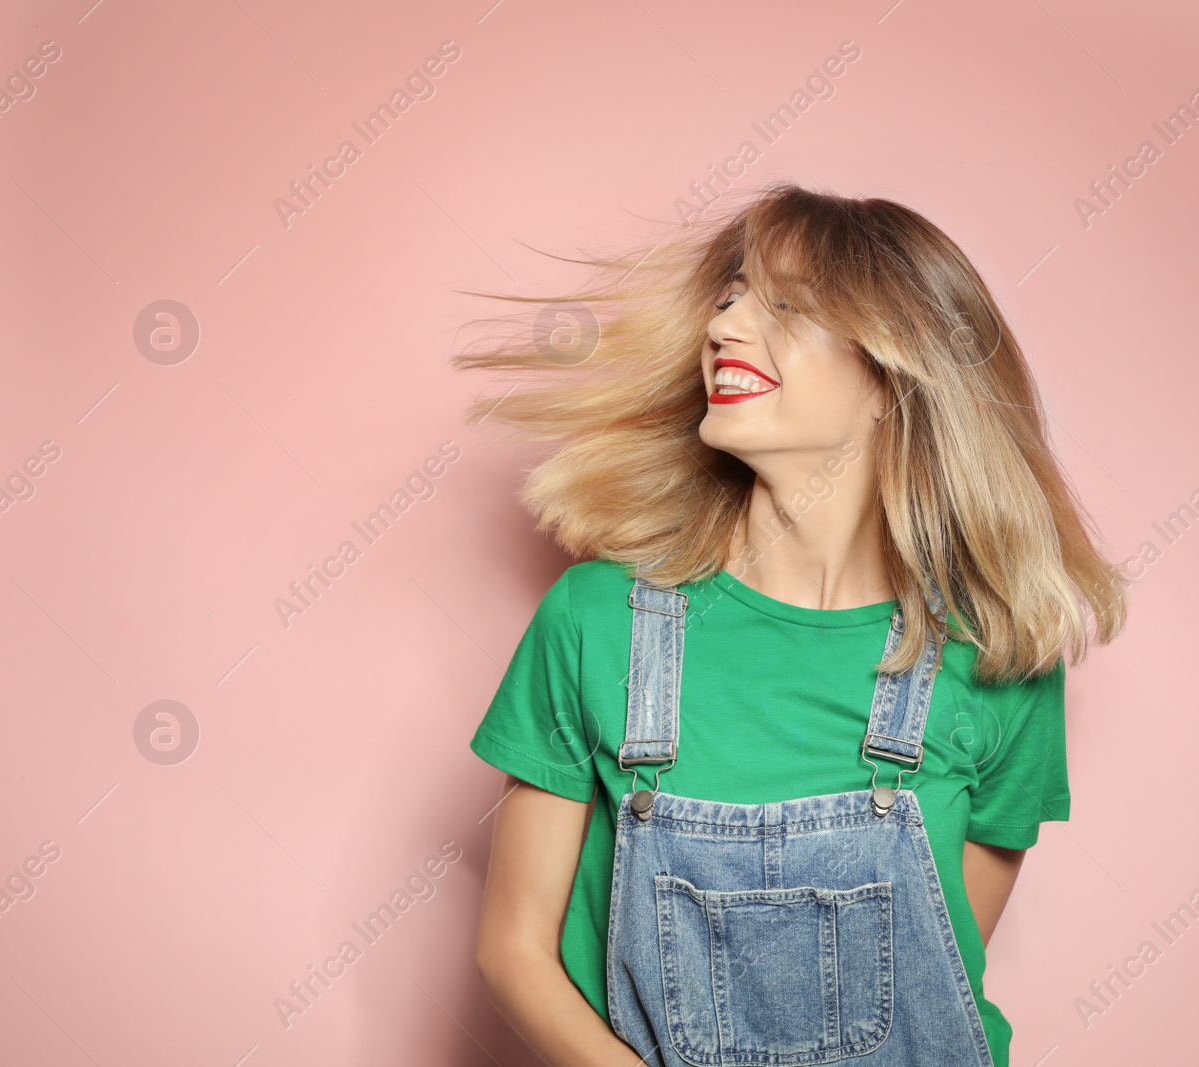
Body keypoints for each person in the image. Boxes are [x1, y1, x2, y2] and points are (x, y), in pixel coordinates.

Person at [455, 181, 1129, 1066]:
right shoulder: (595, 622)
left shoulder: (999, 653)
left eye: (786, 305)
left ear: (892, 375)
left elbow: (940, 984)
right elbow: (513, 951)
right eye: (730, 295)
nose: (725, 327)